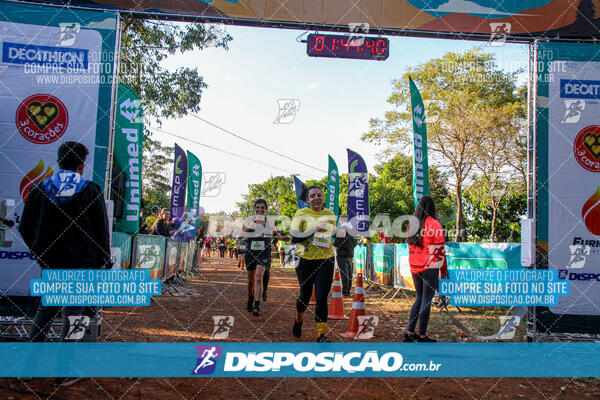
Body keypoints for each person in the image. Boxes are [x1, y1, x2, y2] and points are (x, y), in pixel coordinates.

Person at [18, 141, 111, 341]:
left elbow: (25, 227)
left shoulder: (40, 189)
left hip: (52, 265)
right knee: (75, 320)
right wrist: (103, 259)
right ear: (82, 165)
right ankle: (65, 369)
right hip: (82, 266)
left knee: (44, 315)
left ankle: (29, 367)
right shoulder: (91, 190)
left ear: (59, 162)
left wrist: (40, 255)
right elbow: (101, 230)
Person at [290, 185, 336, 342]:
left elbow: (332, 235)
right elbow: (295, 237)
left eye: (319, 195)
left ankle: (321, 335)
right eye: (313, 196)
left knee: (322, 297)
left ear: (323, 197)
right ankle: (298, 320)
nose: (317, 198)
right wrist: (314, 230)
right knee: (305, 295)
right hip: (305, 260)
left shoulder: (329, 214)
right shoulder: (301, 214)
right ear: (307, 199)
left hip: (326, 259)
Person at [404, 195, 447, 343]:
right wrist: (444, 270)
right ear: (432, 208)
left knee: (419, 298)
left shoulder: (412, 224)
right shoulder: (434, 224)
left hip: (415, 267)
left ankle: (409, 332)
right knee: (426, 300)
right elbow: (440, 250)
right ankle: (422, 335)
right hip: (430, 267)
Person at [242, 199, 289, 316]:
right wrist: (252, 225)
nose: (260, 209)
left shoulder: (270, 221)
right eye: (257, 207)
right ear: (254, 209)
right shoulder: (249, 220)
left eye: (262, 207)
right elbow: (242, 236)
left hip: (264, 252)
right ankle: (250, 297)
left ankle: (257, 306)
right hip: (250, 252)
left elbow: (275, 234)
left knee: (259, 277)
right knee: (251, 281)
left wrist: (281, 237)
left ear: (266, 210)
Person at [333, 214, 356, 297]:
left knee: (344, 272)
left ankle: (345, 291)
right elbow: (355, 242)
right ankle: (348, 290)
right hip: (350, 253)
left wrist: (335, 244)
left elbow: (337, 243)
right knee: (349, 272)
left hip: (342, 253)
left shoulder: (341, 229)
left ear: (341, 220)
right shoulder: (352, 229)